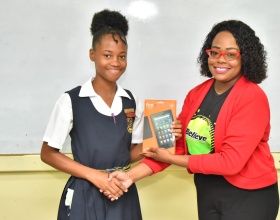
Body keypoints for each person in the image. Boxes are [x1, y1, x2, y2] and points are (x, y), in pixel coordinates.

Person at [108, 20, 280, 220]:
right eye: (214, 52)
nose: (220, 60)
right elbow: (176, 146)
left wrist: (170, 158)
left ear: (246, 58)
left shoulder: (251, 97)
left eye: (231, 54)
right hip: (208, 191)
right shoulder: (197, 94)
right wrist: (128, 177)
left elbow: (230, 163)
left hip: (249, 197)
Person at [40, 9, 181, 220]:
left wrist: (166, 137)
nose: (115, 62)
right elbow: (48, 153)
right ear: (92, 54)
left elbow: (129, 153)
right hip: (85, 192)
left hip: (121, 189)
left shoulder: (130, 101)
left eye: (122, 56)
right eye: (107, 55)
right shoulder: (71, 100)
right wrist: (95, 176)